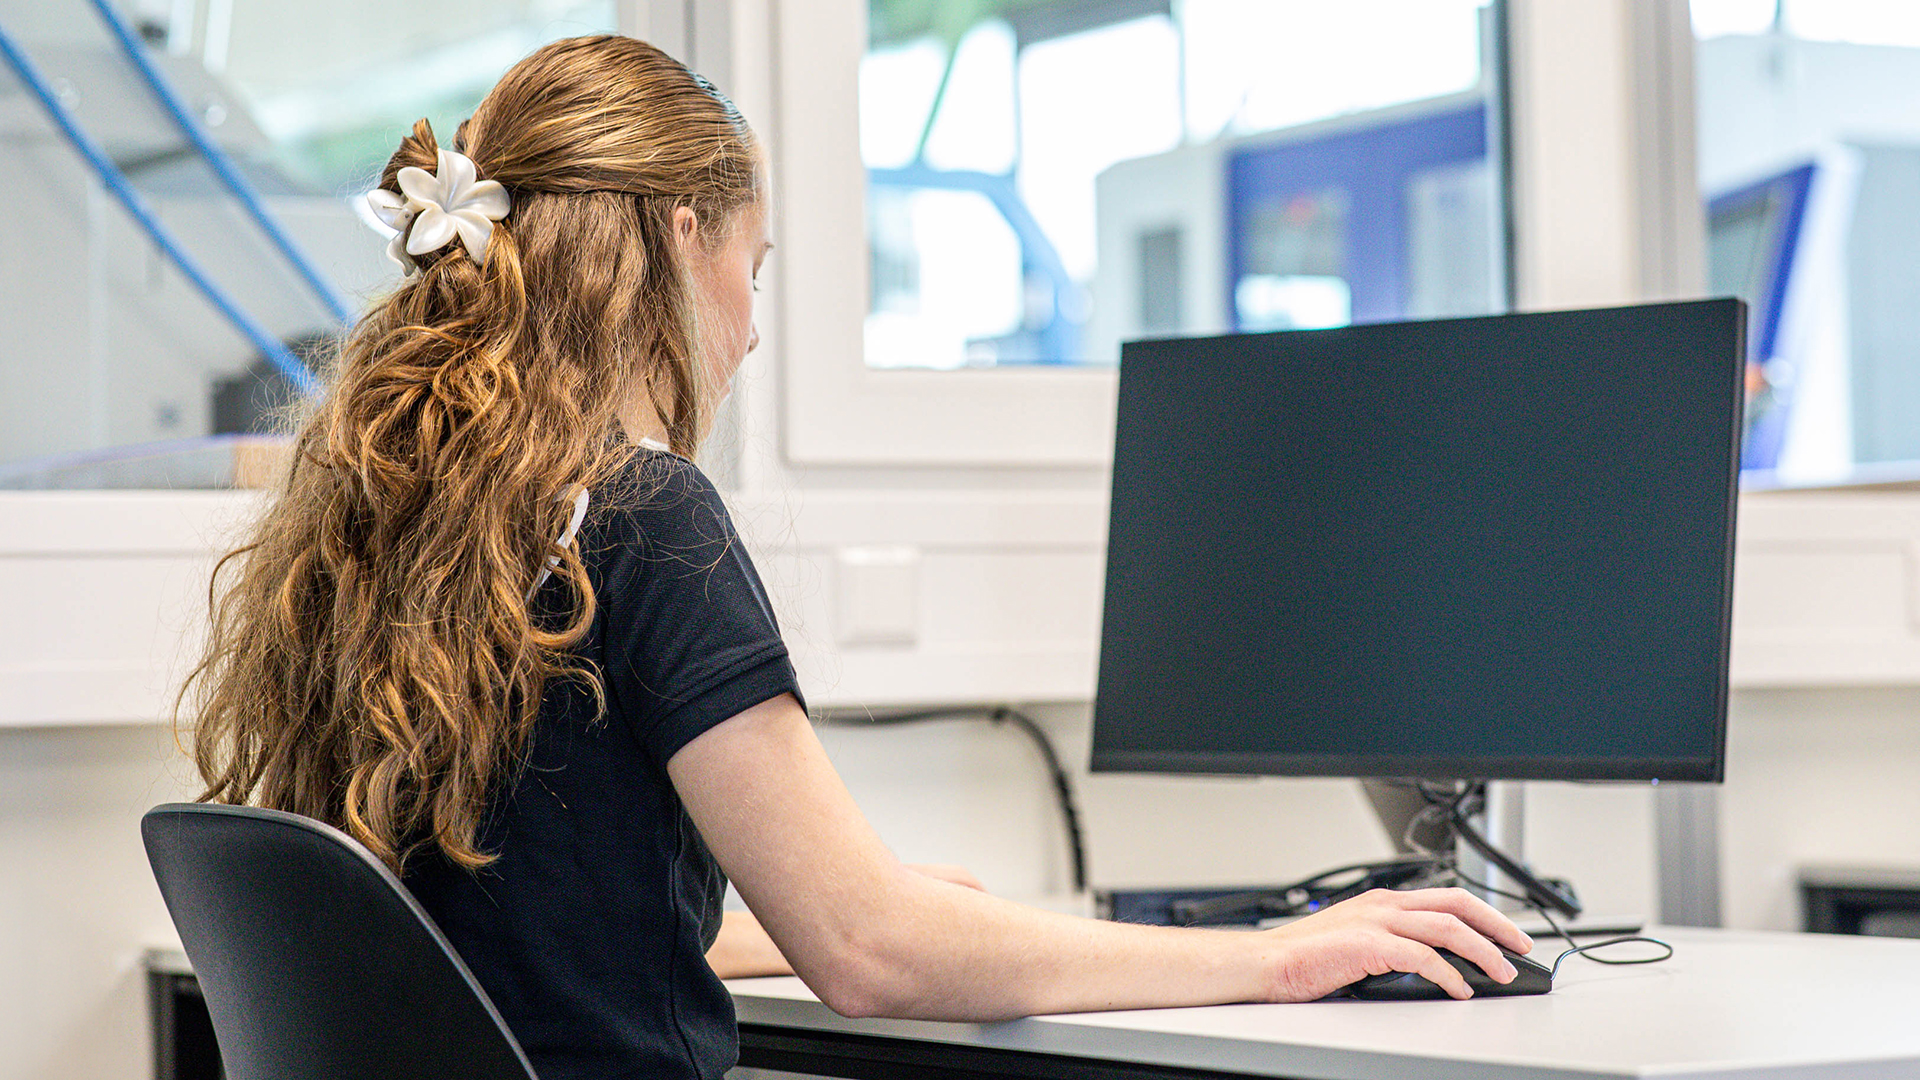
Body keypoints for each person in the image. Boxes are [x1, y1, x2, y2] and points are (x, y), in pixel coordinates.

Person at [182, 34, 1533, 1080]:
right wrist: (1276, 960)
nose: (753, 333)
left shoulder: (394, 516)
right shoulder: (643, 517)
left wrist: (830, 904)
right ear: (680, 237)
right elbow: (874, 959)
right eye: (757, 273)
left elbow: (529, 929)